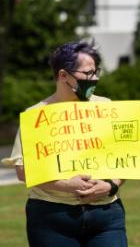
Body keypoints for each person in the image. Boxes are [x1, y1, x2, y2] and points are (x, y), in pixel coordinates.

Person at [1, 42, 128, 246]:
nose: (94, 78)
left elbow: (126, 161)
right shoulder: (36, 115)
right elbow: (24, 170)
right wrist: (67, 185)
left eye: (96, 72)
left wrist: (109, 186)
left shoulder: (107, 107)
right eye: (87, 73)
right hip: (52, 217)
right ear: (63, 75)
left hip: (106, 214)